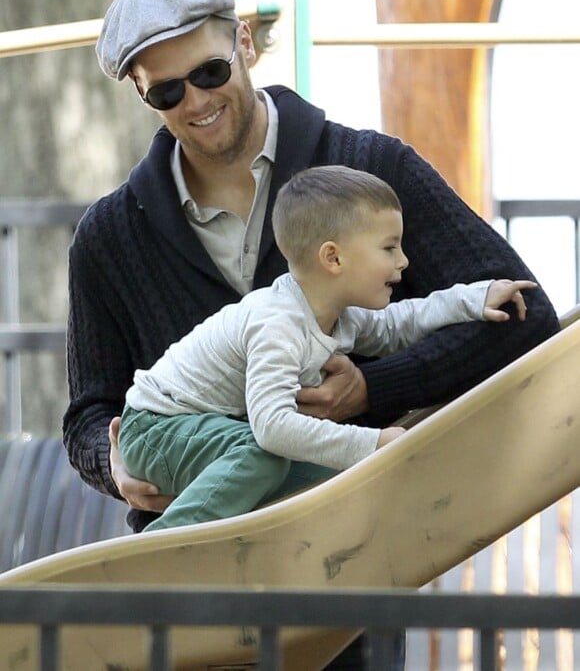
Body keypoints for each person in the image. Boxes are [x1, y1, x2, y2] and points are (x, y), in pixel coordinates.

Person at [63, 0, 559, 669]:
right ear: (142, 93)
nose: (195, 102)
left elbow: (526, 317)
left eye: (208, 71)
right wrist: (114, 465)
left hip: (350, 573)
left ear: (244, 43)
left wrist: (373, 388)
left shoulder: (368, 167)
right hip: (191, 597)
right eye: (166, 90)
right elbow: (87, 413)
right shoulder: (108, 237)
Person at [118, 165, 537, 532]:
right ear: (333, 259)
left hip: (197, 430)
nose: (404, 261)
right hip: (155, 427)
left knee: (326, 470)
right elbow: (272, 427)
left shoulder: (336, 314)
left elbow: (398, 324)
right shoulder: (278, 323)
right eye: (389, 247)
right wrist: (371, 442)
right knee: (263, 456)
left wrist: (474, 298)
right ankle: (164, 553)